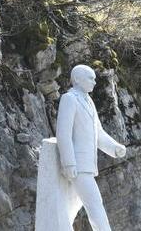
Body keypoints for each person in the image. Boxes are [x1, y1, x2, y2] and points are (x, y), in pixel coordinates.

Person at [55, 64, 127, 231]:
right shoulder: (69, 99)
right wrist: (69, 163)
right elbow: (63, 134)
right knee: (95, 204)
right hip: (78, 165)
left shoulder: (89, 101)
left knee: (71, 207)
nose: (95, 82)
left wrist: (114, 148)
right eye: (91, 79)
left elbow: (99, 133)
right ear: (78, 80)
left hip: (87, 165)